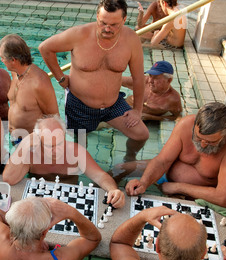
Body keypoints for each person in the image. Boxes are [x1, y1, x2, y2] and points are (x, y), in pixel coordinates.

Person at [39, 0, 149, 162]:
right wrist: (60, 77)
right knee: (79, 152)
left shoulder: (131, 39)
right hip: (79, 105)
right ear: (97, 16)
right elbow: (45, 48)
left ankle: (129, 158)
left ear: (124, 20)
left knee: (141, 134)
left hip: (113, 105)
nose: (107, 29)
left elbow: (139, 78)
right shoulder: (79, 35)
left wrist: (137, 110)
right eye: (103, 23)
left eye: (114, 25)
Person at [124, 102, 226, 208]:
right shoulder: (186, 124)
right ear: (194, 125)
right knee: (121, 169)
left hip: (197, 198)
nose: (203, 145)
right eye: (198, 138)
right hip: (165, 179)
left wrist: (178, 187)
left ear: (225, 134)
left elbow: (223, 197)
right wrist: (144, 182)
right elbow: (162, 161)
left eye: (211, 142)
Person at [3, 115, 125, 208]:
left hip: (70, 199)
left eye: (60, 143)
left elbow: (100, 176)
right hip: (38, 200)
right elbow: (9, 179)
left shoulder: (76, 152)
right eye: (50, 146)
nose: (56, 150)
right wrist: (24, 144)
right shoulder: (30, 154)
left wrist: (113, 190)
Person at [0, 34, 59, 144]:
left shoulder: (39, 82)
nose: (1, 60)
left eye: (2, 57)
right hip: (15, 137)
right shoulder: (15, 73)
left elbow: (54, 119)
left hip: (33, 142)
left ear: (13, 60)